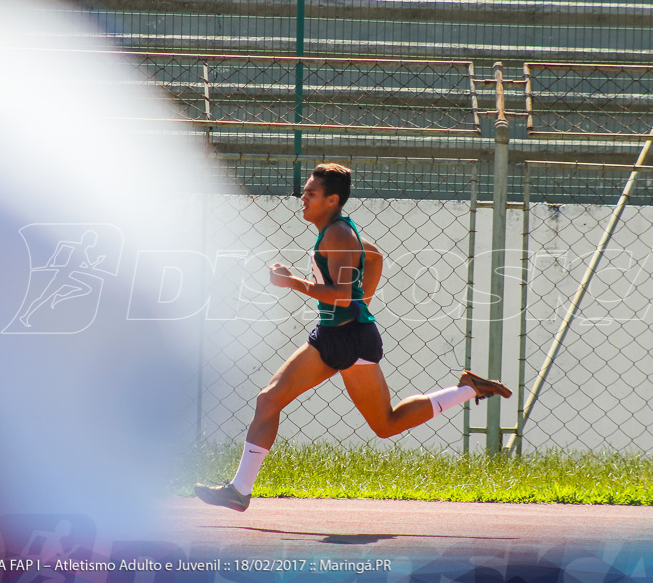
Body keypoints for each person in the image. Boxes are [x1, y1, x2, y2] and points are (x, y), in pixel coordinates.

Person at [195, 163, 511, 511]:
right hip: (335, 335)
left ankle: (468, 388)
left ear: (332, 199)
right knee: (269, 400)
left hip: (352, 340)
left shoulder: (338, 235)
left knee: (385, 424)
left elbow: (343, 295)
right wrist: (363, 303)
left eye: (311, 193)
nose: (303, 197)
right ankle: (240, 490)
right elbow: (374, 258)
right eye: (305, 191)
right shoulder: (338, 231)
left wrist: (293, 283)